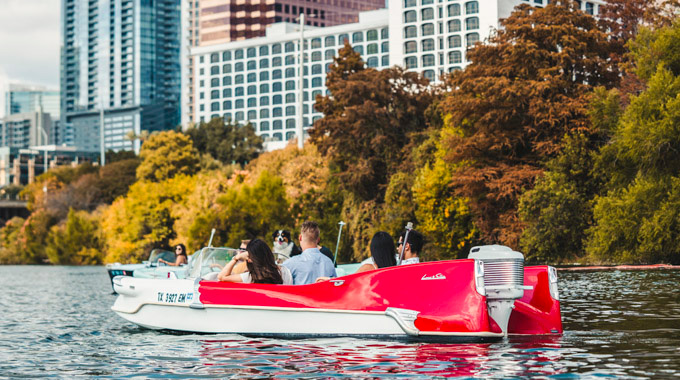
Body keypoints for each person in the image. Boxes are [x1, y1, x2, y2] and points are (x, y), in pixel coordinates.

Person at [217, 239, 293, 284]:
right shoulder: (285, 271)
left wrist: (236, 258)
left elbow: (221, 277)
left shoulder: (251, 277)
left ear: (249, 259)